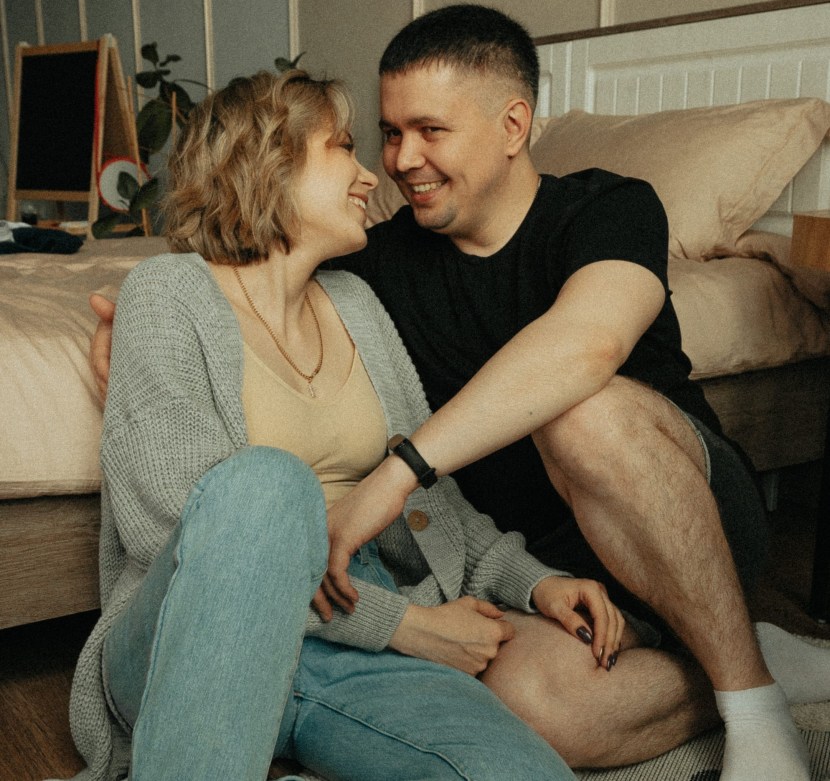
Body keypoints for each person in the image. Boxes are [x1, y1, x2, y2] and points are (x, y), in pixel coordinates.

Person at [88, 9, 830, 779]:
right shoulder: (372, 269)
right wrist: (137, 323)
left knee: (583, 410)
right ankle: (745, 655)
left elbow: (588, 345)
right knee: (534, 706)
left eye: (430, 131)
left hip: (683, 520)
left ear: (513, 125)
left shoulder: (608, 207)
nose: (395, 163)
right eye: (383, 135)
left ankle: (750, 697)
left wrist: (399, 473)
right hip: (516, 567)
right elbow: (244, 268)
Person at [68, 68, 599, 781]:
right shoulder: (168, 293)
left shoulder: (356, 303)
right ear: (270, 162)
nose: (370, 174)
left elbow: (429, 501)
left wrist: (534, 583)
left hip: (353, 643)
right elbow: (185, 543)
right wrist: (404, 626)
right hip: (197, 638)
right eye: (343, 147)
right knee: (267, 485)